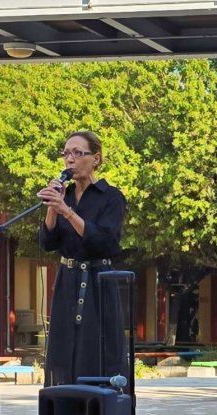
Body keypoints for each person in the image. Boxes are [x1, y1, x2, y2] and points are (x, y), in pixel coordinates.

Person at [37, 130, 127, 386]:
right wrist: (53, 206)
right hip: (67, 281)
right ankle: (64, 407)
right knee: (63, 350)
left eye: (78, 153)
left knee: (96, 348)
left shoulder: (111, 197)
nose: (70, 159)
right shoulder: (64, 196)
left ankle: (100, 405)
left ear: (96, 159)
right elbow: (47, 243)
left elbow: (105, 242)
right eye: (66, 153)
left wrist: (66, 212)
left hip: (98, 282)